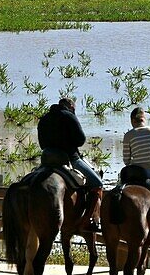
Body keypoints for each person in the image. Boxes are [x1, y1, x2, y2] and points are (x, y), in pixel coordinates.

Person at [37, 97, 102, 232]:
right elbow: (81, 140)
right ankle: (88, 220)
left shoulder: (44, 118)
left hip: (47, 160)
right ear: (72, 107)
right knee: (97, 184)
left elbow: (42, 144)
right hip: (69, 159)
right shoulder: (69, 116)